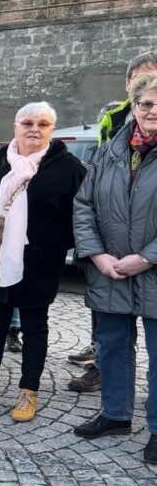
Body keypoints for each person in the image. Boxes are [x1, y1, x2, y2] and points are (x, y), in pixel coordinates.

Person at [0, 102, 86, 422]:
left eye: (44, 124)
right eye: (28, 123)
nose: (35, 129)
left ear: (52, 129)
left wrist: (53, 245)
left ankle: (28, 391)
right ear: (15, 126)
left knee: (35, 327)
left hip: (40, 262)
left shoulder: (68, 168)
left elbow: (81, 216)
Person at [72, 73, 157, 464]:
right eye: (146, 104)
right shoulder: (110, 151)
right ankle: (115, 414)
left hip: (152, 269)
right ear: (134, 106)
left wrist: (147, 257)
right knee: (113, 346)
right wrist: (97, 255)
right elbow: (84, 204)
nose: (153, 111)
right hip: (110, 270)